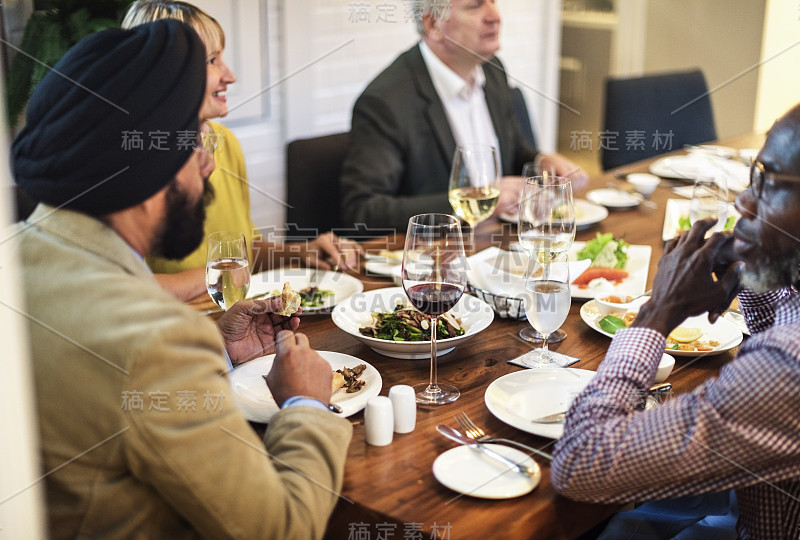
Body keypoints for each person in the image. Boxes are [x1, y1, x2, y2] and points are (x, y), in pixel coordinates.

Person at [11, 20, 351, 539]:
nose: (209, 166)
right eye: (195, 145)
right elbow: (282, 528)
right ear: (149, 174)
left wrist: (216, 349)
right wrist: (305, 403)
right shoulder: (156, 338)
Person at [551, 104, 800, 537]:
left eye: (766, 179)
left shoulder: (788, 368)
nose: (743, 199)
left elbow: (580, 462)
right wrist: (749, 264)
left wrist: (656, 313)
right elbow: (774, 322)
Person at [122, 0, 362, 302]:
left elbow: (242, 254)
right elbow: (117, 287)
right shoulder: (133, 159)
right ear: (164, 71)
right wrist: (215, 275)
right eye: (211, 61)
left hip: (234, 320)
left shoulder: (225, 141)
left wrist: (302, 252)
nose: (230, 75)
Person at [339, 0, 588, 231]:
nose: (494, 16)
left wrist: (540, 162)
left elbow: (512, 156)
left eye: (493, 1)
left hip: (502, 240)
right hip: (436, 259)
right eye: (474, 6)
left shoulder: (493, 70)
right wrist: (479, 199)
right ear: (433, 24)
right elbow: (363, 211)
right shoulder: (385, 101)